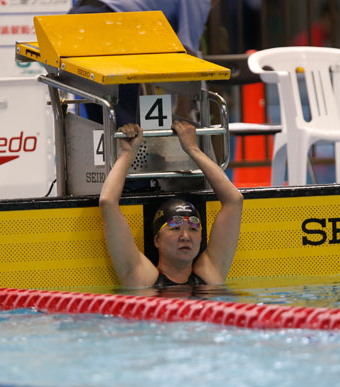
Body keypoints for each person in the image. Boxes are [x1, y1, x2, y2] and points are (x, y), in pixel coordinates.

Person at [99, 120, 243, 288]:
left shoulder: (209, 275)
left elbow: (234, 200)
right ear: (157, 240)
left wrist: (192, 148)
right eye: (175, 228)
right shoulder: (142, 279)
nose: (185, 236)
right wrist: (127, 153)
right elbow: (108, 202)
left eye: (193, 229)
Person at [68, 0, 226, 126]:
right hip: (111, 23)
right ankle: (130, 159)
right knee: (127, 122)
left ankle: (108, 161)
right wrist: (182, 111)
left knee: (98, 103)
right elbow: (188, 55)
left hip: (76, 19)